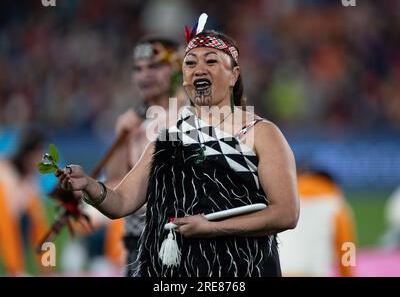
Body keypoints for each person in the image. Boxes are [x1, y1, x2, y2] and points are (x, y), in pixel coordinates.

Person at [55, 16, 299, 277]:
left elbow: (286, 213)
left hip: (244, 272)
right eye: (190, 63)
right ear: (184, 79)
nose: (199, 68)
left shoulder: (261, 132)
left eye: (211, 61)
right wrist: (89, 185)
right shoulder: (167, 138)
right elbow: (122, 202)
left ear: (234, 75)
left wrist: (212, 227)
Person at [103, 35, 187, 276]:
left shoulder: (193, 114)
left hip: (177, 240)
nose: (145, 75)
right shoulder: (128, 122)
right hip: (135, 242)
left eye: (155, 66)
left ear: (176, 68)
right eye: (138, 69)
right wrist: (123, 138)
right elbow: (116, 183)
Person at [279, 169, 357, 277]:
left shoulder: (285, 197)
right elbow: (347, 247)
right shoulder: (336, 203)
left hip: (279, 270)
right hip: (312, 272)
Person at [0, 127, 49, 276]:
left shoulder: (30, 182)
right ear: (27, 154)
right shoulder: (4, 174)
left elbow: (41, 229)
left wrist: (47, 267)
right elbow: (5, 225)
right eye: (38, 155)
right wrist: (15, 270)